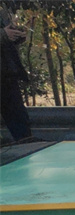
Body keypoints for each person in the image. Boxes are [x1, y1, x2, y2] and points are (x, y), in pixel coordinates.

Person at [1, 6, 33, 144]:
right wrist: (3, 35)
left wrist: (16, 35)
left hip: (7, 76)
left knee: (21, 127)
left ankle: (27, 148)